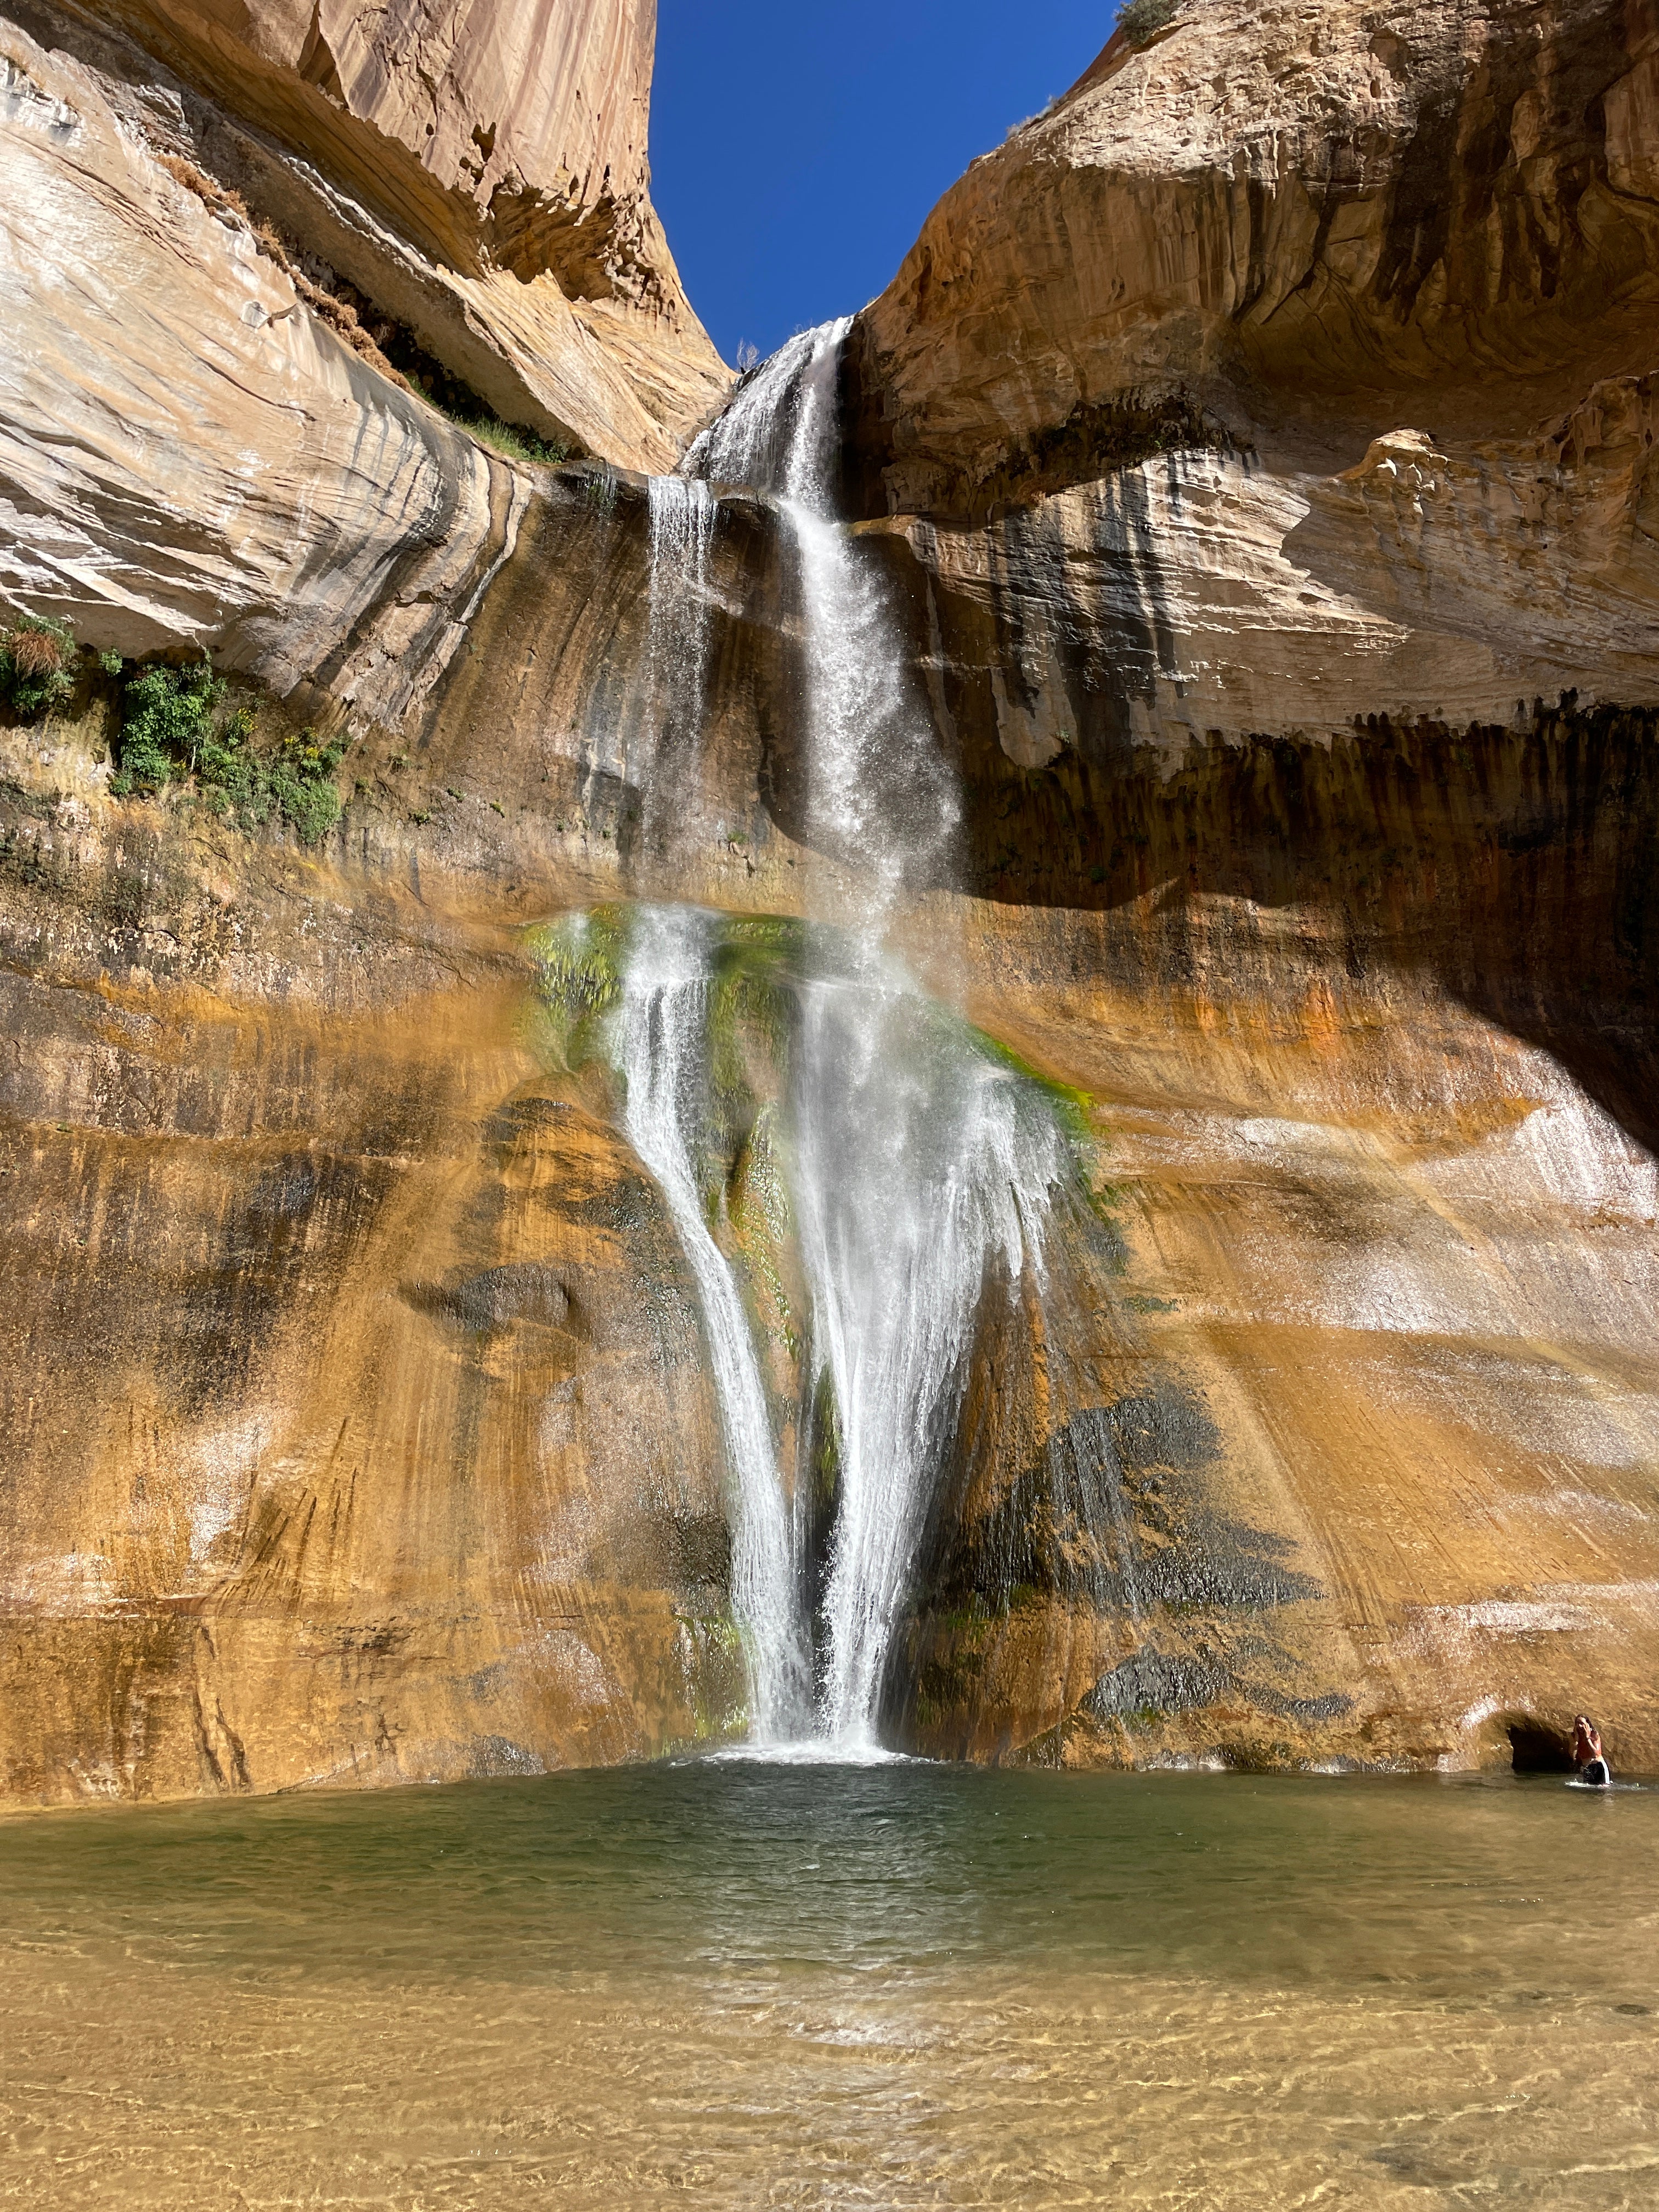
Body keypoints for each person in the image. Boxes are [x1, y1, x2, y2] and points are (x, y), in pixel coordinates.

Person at [1572, 1714, 1611, 1786]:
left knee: (1603, 1792)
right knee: (1588, 1793)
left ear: (1587, 1724)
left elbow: (1597, 1754)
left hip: (1599, 1767)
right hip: (1587, 1768)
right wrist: (1576, 1740)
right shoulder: (1575, 1736)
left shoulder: (1594, 1734)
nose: (1580, 1726)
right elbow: (1573, 1756)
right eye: (1577, 1723)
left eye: (1582, 1724)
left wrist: (1588, 1739)